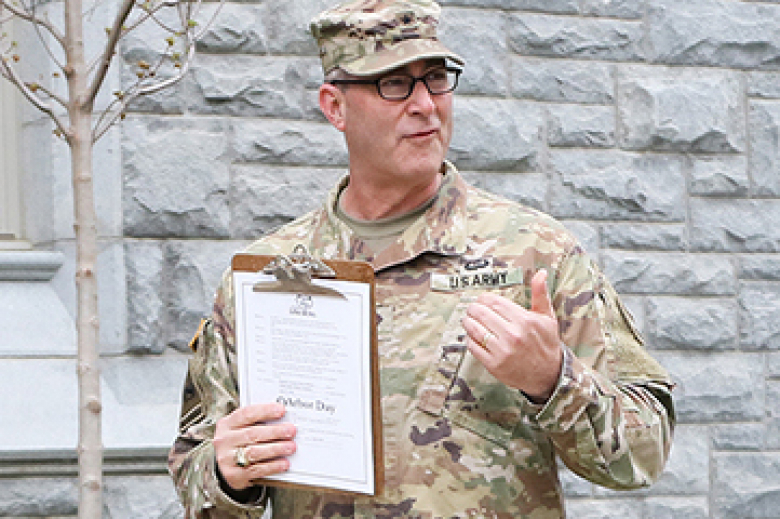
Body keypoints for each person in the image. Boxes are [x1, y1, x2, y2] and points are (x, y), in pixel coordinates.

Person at [168, 0, 676, 517]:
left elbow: (644, 453)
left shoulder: (536, 253)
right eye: (393, 83)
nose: (425, 105)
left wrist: (553, 379)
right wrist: (228, 475)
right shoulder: (268, 275)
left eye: (435, 79)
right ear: (334, 107)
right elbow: (197, 470)